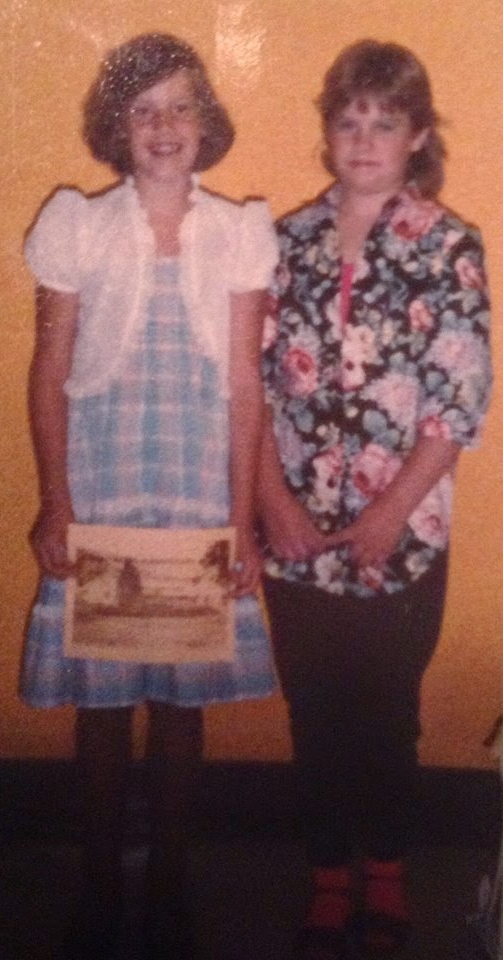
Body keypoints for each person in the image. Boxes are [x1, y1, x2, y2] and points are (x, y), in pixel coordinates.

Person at [22, 32, 278, 959]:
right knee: (101, 704)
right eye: (143, 110)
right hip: (103, 486)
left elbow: (245, 385)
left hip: (198, 488)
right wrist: (56, 501)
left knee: (180, 702)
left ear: (205, 121)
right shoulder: (79, 225)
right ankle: (100, 887)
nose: (163, 126)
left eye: (179, 107)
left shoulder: (239, 232)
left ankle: (168, 885)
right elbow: (49, 371)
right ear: (116, 127)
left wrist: (243, 517)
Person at [259, 39, 491, 960]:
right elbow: (251, 390)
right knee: (314, 712)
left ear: (416, 135)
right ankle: (326, 877)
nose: (363, 139)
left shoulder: (447, 246)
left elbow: (459, 399)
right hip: (295, 532)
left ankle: (387, 874)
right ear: (327, 132)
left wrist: (391, 512)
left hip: (404, 533)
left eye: (384, 122)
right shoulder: (283, 243)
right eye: (348, 121)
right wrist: (272, 503)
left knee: (388, 713)